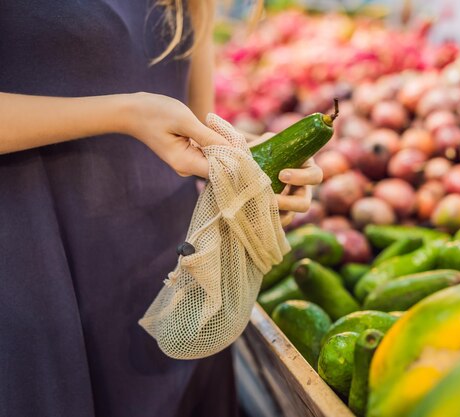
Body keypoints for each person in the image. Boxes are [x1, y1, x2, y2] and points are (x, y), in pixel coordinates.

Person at [0, 1, 322, 417]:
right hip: (39, 270)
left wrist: (255, 166)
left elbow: (198, 125)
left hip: (175, 278)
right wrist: (126, 112)